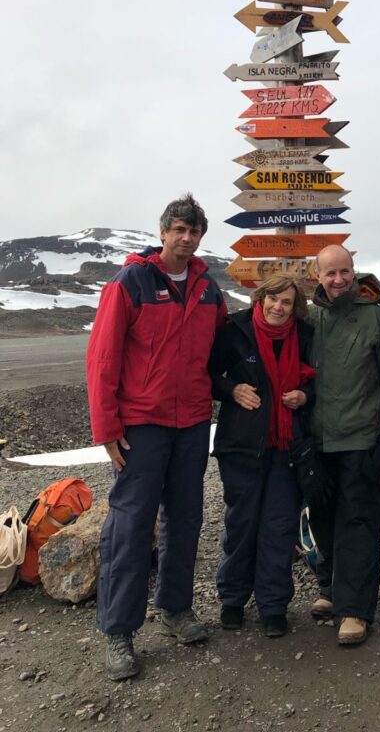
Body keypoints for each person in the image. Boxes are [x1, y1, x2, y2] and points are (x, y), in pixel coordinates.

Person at [86, 195, 227, 680]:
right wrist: (106, 429)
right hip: (141, 427)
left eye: (194, 232)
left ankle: (175, 609)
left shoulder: (210, 292)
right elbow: (102, 359)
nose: (186, 238)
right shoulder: (131, 283)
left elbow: (219, 355)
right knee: (130, 525)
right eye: (179, 229)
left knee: (186, 519)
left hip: (190, 424)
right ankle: (118, 631)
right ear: (164, 232)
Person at [208, 275, 314, 638]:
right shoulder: (236, 330)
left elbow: (318, 381)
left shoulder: (305, 335)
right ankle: (233, 600)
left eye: (286, 301)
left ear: (294, 306)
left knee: (279, 527)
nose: (278, 307)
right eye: (273, 298)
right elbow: (207, 373)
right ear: (260, 298)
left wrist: (305, 396)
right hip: (242, 445)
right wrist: (231, 388)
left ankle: (273, 605)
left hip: (288, 449)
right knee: (242, 523)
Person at [307, 244, 380, 646]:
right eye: (331, 273)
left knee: (359, 522)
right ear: (318, 275)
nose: (339, 279)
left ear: (354, 271)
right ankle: (330, 588)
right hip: (316, 437)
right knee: (322, 518)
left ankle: (355, 609)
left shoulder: (374, 318)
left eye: (345, 271)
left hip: (361, 436)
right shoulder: (307, 318)